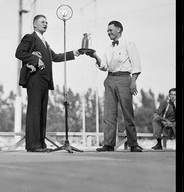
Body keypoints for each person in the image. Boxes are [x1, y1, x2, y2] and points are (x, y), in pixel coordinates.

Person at [15, 14, 80, 152]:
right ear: (35, 25)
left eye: (47, 22)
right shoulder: (30, 37)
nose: (45, 24)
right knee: (34, 111)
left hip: (45, 81)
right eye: (42, 22)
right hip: (34, 79)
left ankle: (40, 144)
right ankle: (33, 145)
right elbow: (19, 52)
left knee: (42, 112)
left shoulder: (45, 43)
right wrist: (34, 59)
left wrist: (74, 53)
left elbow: (55, 57)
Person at [85, 20, 143, 152]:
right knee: (109, 114)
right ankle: (108, 144)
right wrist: (94, 56)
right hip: (110, 79)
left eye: (110, 30)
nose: (108, 33)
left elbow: (136, 64)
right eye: (107, 31)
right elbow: (104, 66)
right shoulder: (108, 48)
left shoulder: (128, 43)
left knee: (127, 112)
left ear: (119, 30)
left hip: (124, 79)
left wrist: (133, 81)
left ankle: (133, 144)